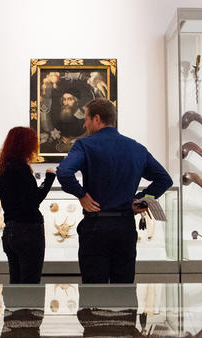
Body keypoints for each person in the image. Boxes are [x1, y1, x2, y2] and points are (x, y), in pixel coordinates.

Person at [57, 99, 172, 283]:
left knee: (93, 294)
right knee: (124, 291)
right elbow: (164, 180)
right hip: (125, 227)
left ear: (97, 119)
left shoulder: (85, 145)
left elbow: (64, 172)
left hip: (95, 228)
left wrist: (82, 195)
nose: (84, 124)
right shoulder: (137, 148)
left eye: (85, 119)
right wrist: (141, 200)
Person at [0, 127, 57, 283]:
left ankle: (13, 308)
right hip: (28, 231)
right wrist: (49, 178)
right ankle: (27, 308)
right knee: (30, 283)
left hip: (10, 231)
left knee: (15, 281)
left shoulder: (2, 168)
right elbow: (33, 200)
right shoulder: (21, 169)